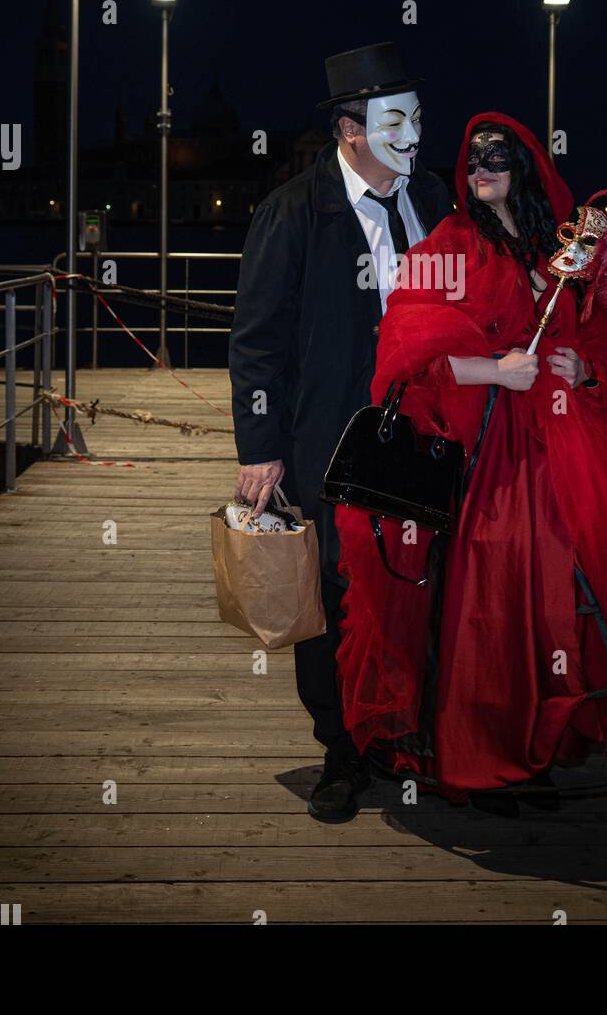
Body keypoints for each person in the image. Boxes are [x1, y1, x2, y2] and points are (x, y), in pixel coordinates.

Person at [332, 112, 607, 812]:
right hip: (486, 451)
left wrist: (579, 369)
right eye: (472, 158)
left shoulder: (559, 251)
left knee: (577, 575)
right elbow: (405, 355)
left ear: (526, 167)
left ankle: (550, 733)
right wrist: (493, 369)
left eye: (496, 157)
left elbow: (594, 343)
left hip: (560, 440)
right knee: (495, 589)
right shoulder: (449, 246)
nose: (481, 168)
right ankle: (485, 749)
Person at [228, 42, 452, 823]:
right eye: (398, 120)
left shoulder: (433, 197)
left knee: (419, 585)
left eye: (419, 117)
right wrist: (259, 449)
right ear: (351, 130)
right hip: (328, 441)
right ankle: (341, 748)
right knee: (331, 596)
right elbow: (255, 339)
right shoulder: (293, 210)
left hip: (426, 437)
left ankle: (407, 731)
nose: (415, 133)